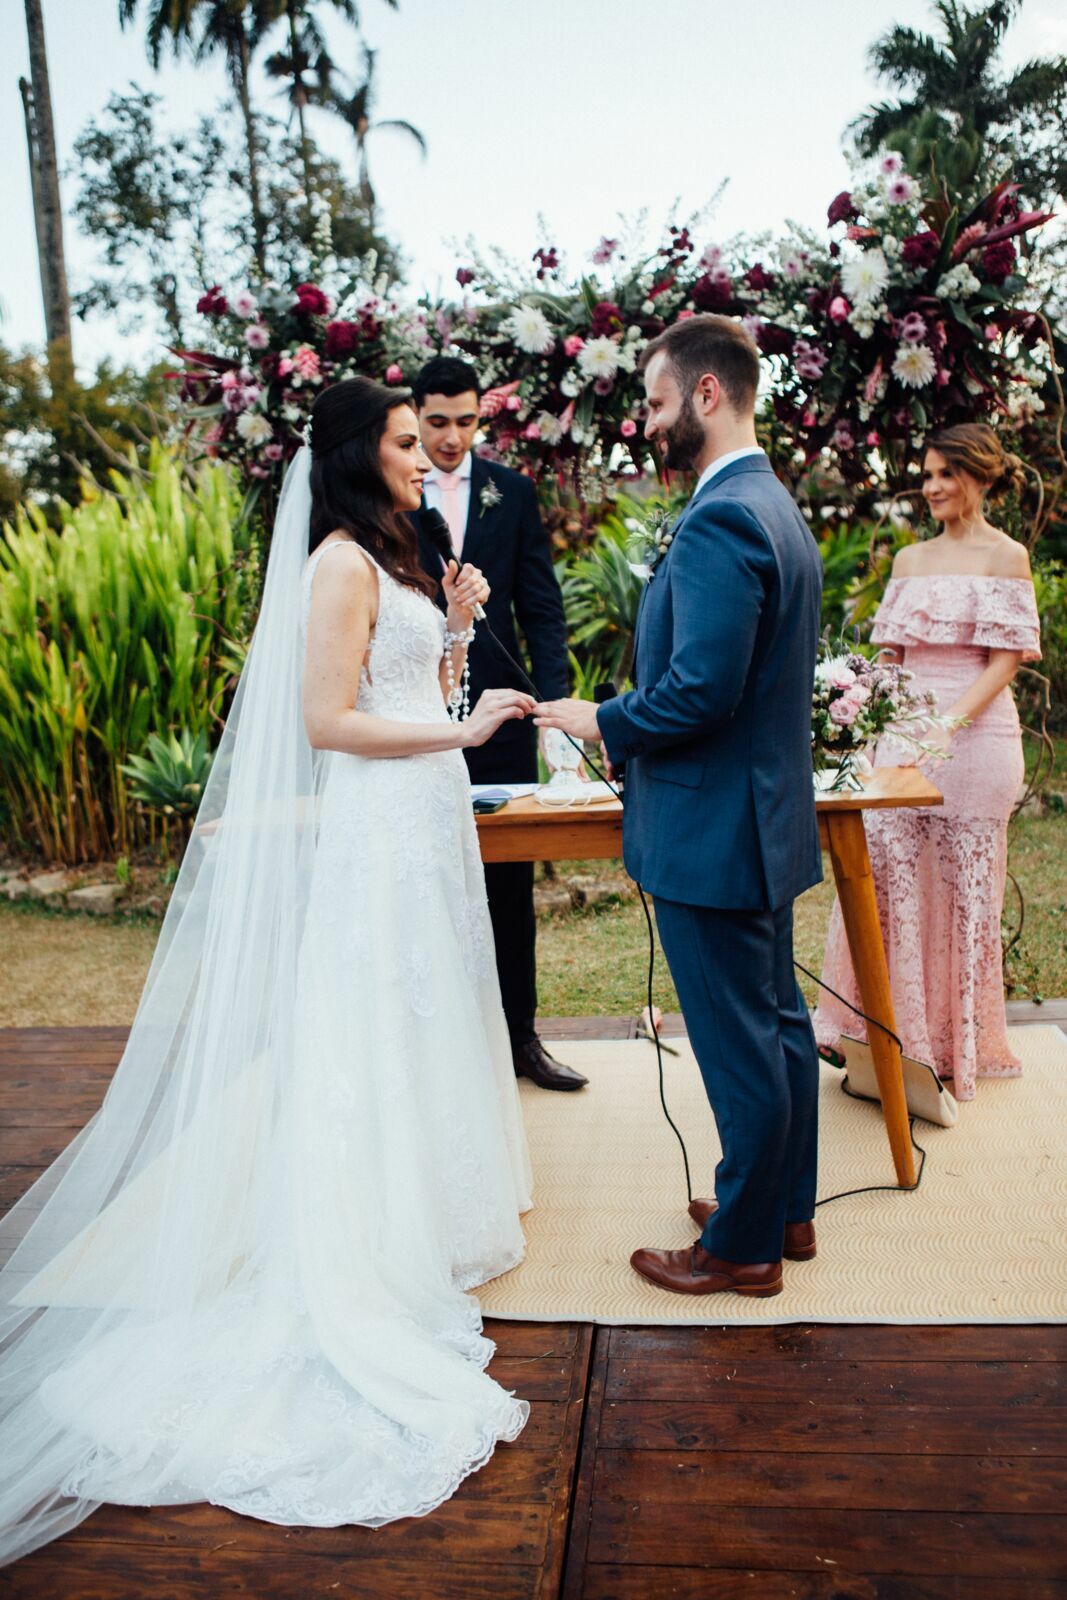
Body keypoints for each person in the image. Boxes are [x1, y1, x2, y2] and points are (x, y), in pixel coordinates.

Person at [0, 376, 537, 1567]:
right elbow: (327, 722)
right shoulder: (337, 564)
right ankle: (364, 1235)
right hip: (375, 825)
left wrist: (455, 629)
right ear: (354, 454)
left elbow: (413, 693)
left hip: (425, 822)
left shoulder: (400, 559)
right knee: (369, 1021)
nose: (425, 457)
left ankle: (434, 1205)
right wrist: (458, 731)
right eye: (404, 441)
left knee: (426, 1014)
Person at [536, 314, 824, 1300]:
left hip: (712, 833)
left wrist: (600, 718)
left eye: (657, 402)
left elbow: (701, 689)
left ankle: (740, 1247)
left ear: (707, 392)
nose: (648, 423)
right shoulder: (772, 504)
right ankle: (782, 1211)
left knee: (739, 1047)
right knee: (776, 1026)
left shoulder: (720, 518)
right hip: (761, 821)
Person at [813, 423, 1040, 1100]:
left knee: (963, 895)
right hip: (902, 740)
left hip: (977, 744)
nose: (933, 487)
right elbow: (890, 656)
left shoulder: (1007, 557)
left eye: (947, 474)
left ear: (980, 477)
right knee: (886, 882)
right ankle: (880, 1044)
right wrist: (865, 711)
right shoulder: (910, 561)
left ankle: (946, 1049)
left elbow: (1004, 661)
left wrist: (946, 724)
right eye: (928, 474)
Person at [410, 355, 587, 1093]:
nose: (451, 438)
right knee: (423, 882)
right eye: (437, 423)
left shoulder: (511, 491)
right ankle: (437, 1051)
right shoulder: (388, 492)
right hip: (416, 718)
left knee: (509, 890)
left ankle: (521, 1040)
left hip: (504, 718)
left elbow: (541, 609)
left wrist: (553, 712)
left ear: (481, 418)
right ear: (416, 417)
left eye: (465, 422)